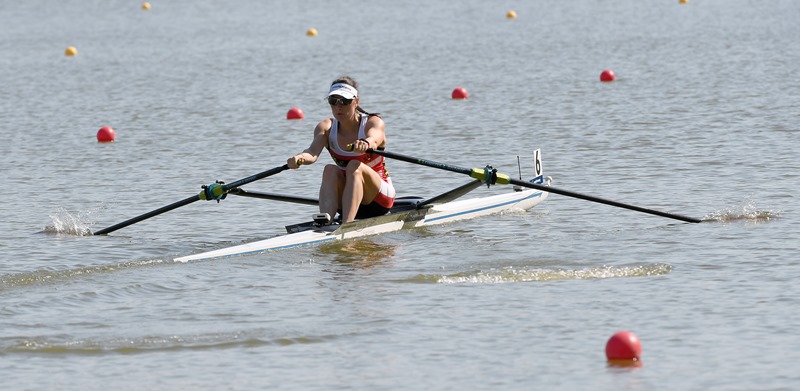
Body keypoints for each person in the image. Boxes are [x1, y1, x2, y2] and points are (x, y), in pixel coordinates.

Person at [287, 76, 395, 224]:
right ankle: (326, 221)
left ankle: (347, 225)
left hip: (379, 199)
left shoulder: (373, 122)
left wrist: (365, 143)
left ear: (356, 102)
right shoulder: (325, 127)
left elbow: (374, 139)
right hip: (347, 200)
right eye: (333, 101)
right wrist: (299, 158)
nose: (338, 106)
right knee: (329, 170)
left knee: (354, 166)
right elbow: (312, 153)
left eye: (344, 101)